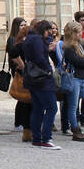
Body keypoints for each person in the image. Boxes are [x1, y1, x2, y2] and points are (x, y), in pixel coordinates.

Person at [22, 19, 61, 150]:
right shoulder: (37, 40)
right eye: (49, 32)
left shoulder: (29, 38)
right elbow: (40, 58)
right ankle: (46, 138)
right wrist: (48, 70)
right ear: (44, 30)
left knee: (38, 108)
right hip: (42, 78)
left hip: (32, 77)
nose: (50, 34)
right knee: (51, 108)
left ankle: (37, 139)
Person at [6, 17, 32, 140]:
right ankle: (18, 123)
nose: (24, 27)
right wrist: (21, 65)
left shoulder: (25, 40)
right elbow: (12, 54)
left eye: (25, 25)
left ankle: (22, 122)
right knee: (21, 97)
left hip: (23, 70)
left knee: (23, 98)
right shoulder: (13, 39)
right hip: (17, 70)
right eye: (22, 25)